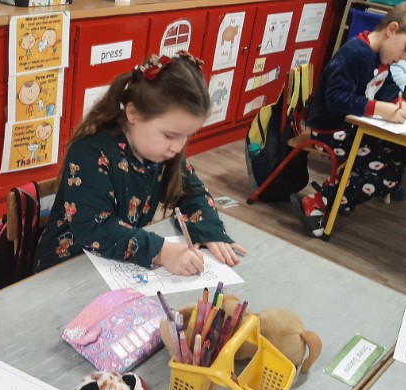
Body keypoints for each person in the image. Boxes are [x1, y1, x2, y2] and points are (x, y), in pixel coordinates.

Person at [33, 53, 246, 275]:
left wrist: (208, 230)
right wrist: (162, 252)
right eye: (170, 135)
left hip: (116, 266)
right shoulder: (90, 151)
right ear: (134, 114)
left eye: (186, 135)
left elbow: (191, 192)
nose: (178, 146)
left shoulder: (161, 151)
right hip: (65, 268)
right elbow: (94, 227)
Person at [294, 2, 406, 237]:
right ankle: (319, 201)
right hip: (330, 130)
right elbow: (335, 98)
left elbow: (387, 87)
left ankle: (340, 191)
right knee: (388, 177)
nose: (403, 58)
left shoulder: (381, 57)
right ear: (392, 30)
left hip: (352, 127)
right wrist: (378, 108)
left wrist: (400, 102)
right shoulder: (356, 53)